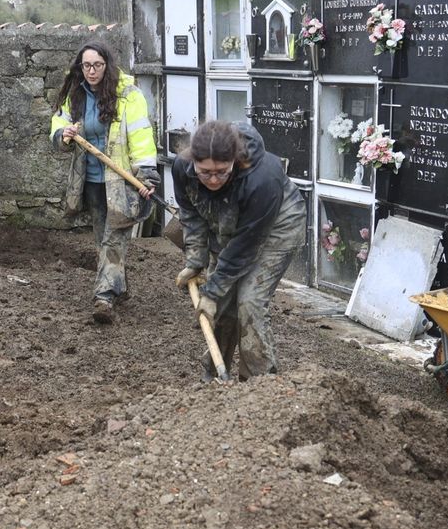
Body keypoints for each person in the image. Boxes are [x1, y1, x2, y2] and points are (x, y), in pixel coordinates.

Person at [172, 120, 307, 379]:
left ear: (235, 160)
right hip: (230, 220)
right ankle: (214, 374)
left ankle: (259, 382)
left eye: (221, 172)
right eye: (205, 172)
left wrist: (210, 293)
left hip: (278, 225)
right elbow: (191, 215)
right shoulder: (183, 167)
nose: (213, 179)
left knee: (249, 300)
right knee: (221, 305)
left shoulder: (261, 178)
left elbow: (246, 246)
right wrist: (196, 260)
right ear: (193, 162)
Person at [50, 42, 159, 325]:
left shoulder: (128, 96)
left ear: (107, 65)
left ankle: (104, 297)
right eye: (86, 66)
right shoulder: (75, 93)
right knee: (103, 241)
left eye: (97, 65)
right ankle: (118, 288)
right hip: (92, 182)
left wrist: (146, 175)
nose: (91, 71)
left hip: (121, 181)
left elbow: (141, 137)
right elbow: (57, 122)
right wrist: (65, 132)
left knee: (113, 238)